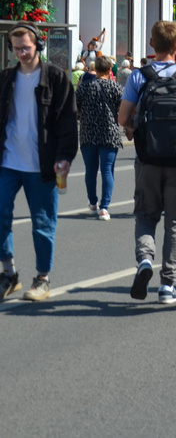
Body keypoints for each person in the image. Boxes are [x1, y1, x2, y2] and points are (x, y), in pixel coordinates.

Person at [117, 20, 176, 305]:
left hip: (147, 159)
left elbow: (122, 118)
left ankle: (145, 259)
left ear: (151, 43)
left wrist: (136, 128)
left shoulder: (138, 76)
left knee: (146, 216)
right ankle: (168, 285)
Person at [0, 24, 78, 302]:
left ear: (38, 46)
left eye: (26, 47)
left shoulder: (56, 79)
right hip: (8, 162)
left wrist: (65, 158)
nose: (20, 52)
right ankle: (8, 274)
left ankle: (42, 278)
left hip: (42, 165)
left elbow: (67, 123)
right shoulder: (6, 78)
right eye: (16, 47)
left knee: (42, 223)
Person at [77, 56, 124, 221]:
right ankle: (104, 207)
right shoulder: (116, 87)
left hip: (88, 133)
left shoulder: (84, 87)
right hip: (109, 133)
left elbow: (75, 108)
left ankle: (92, 203)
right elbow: (123, 110)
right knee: (107, 169)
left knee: (90, 170)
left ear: (95, 69)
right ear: (110, 70)